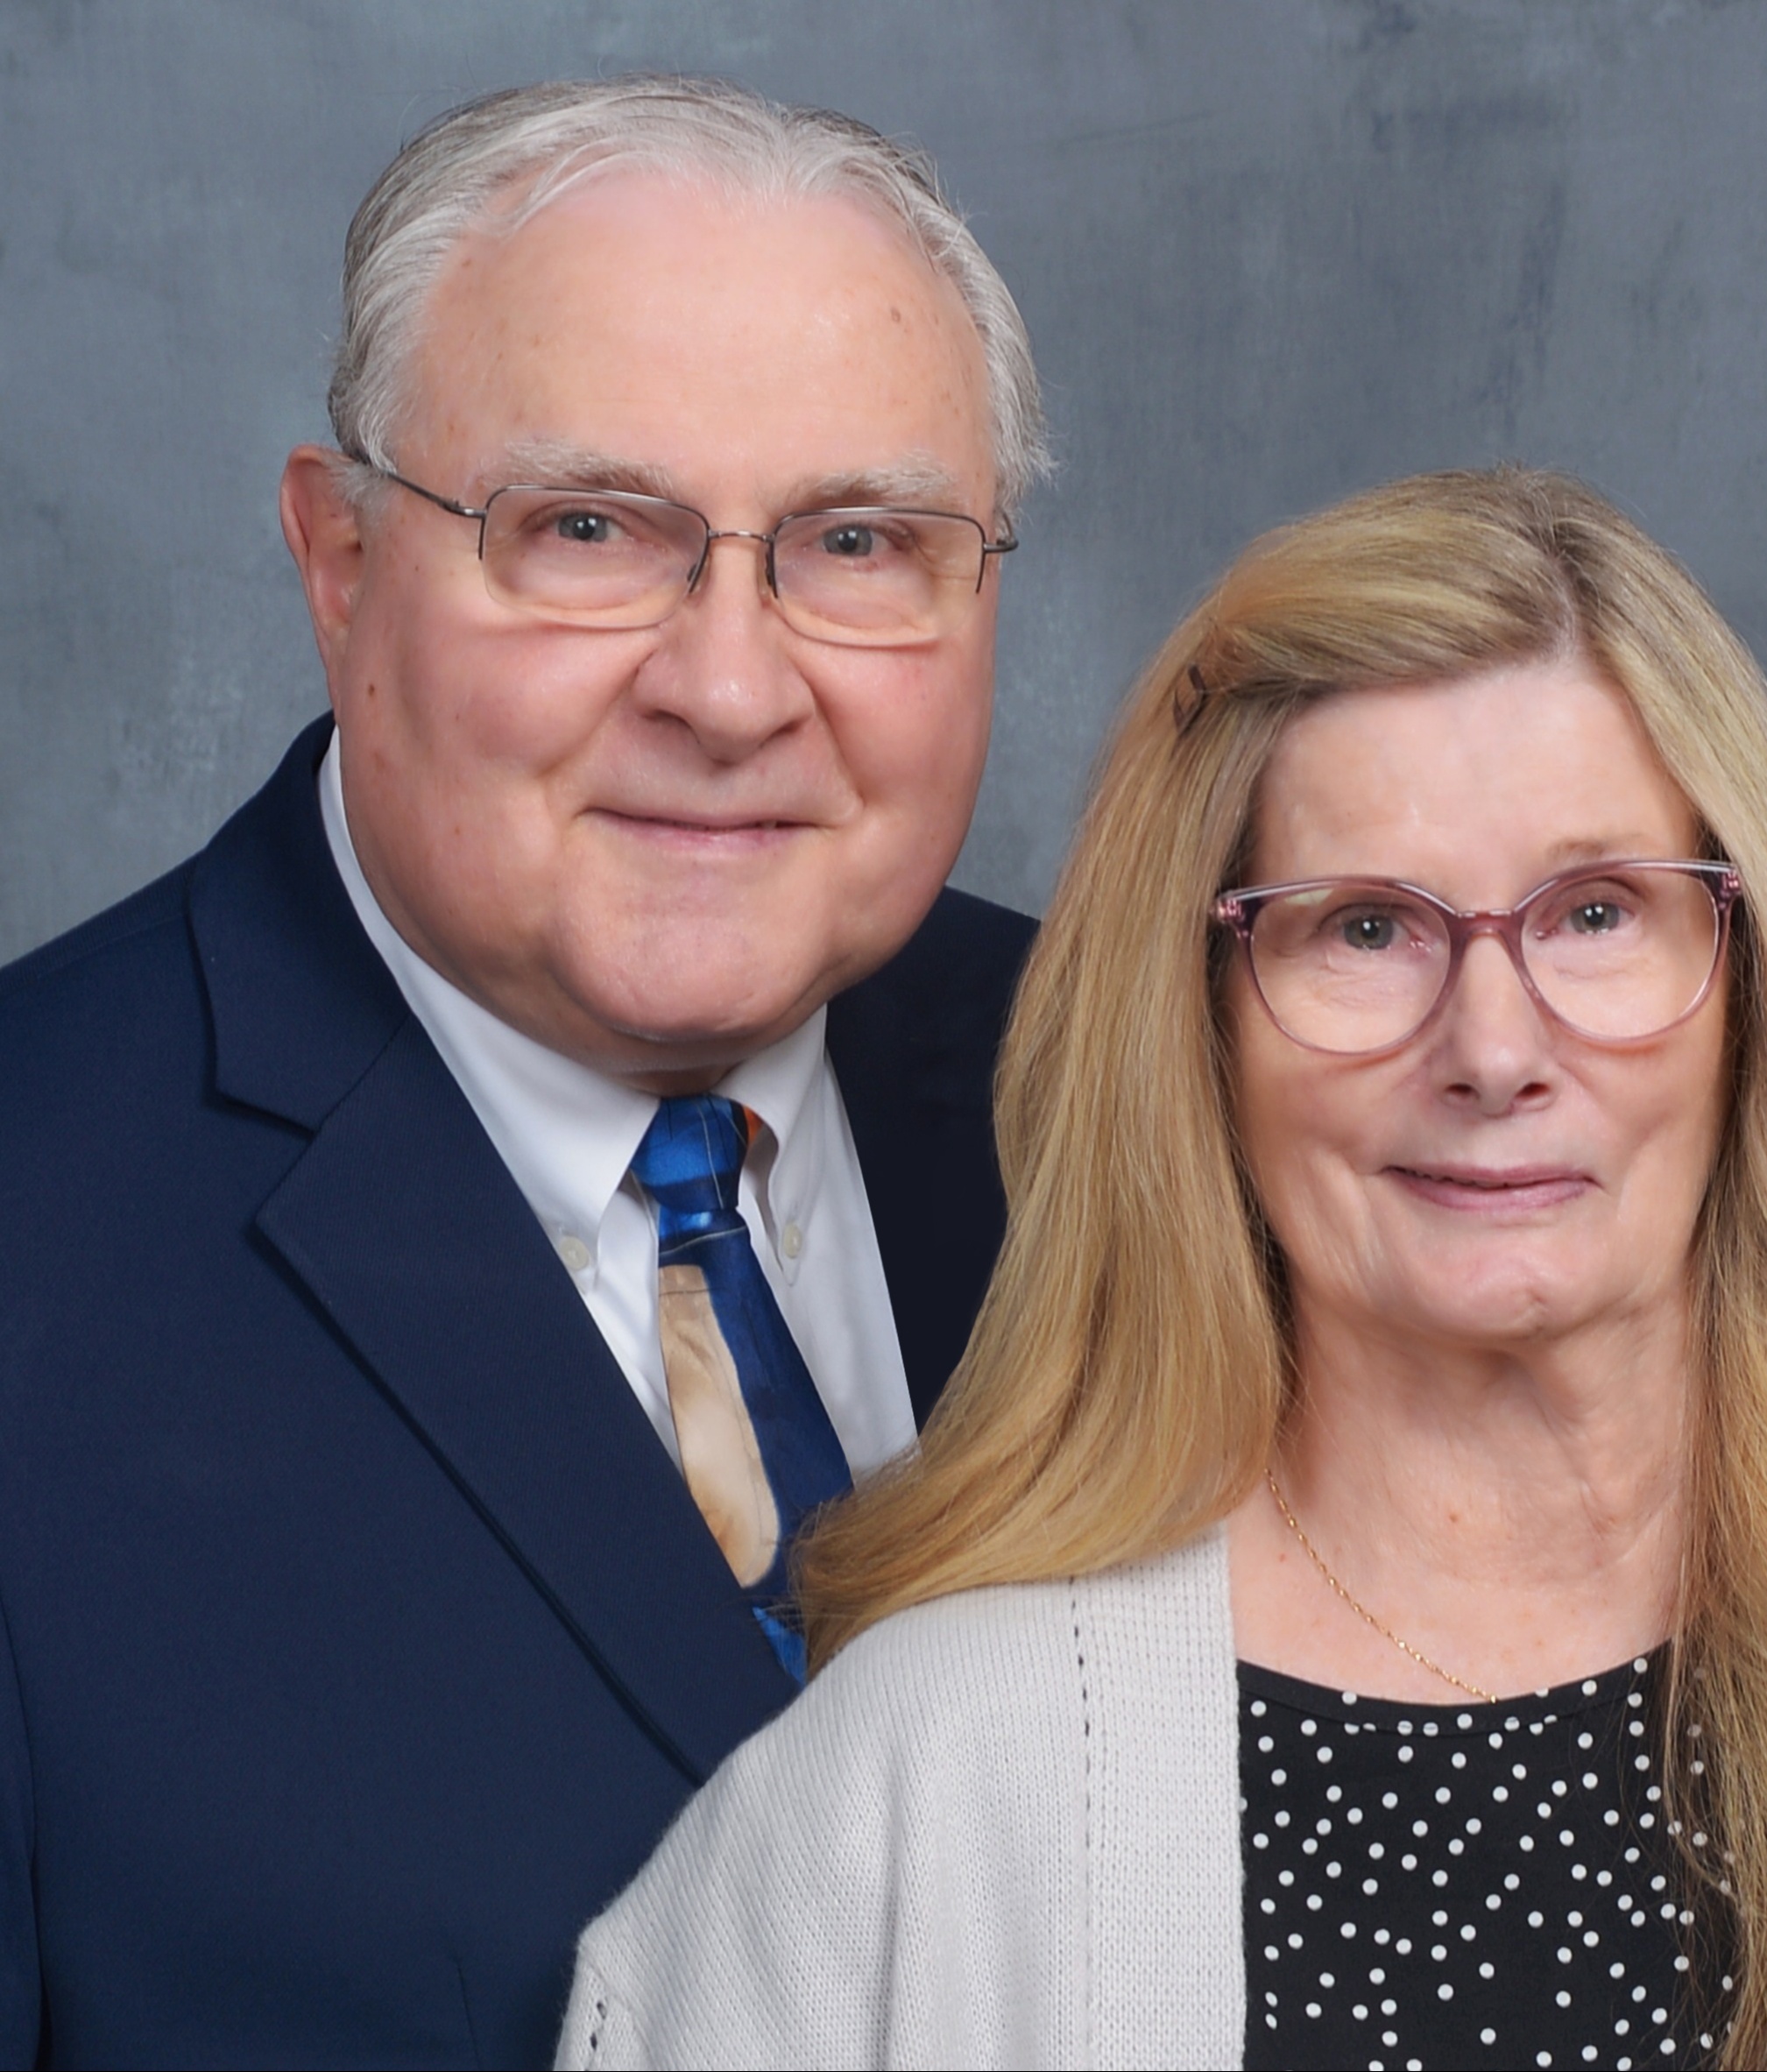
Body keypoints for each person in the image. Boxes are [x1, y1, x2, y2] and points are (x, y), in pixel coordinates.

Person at [561, 469, 1767, 2072]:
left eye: (1595, 911)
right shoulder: (909, 1784)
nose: (1492, 1049)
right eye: (1362, 927)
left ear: (1749, 982)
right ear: (1199, 1025)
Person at [0, 74, 1045, 2067]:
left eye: (856, 540)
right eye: (584, 529)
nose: (727, 689)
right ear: (338, 562)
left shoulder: (1168, 1102)